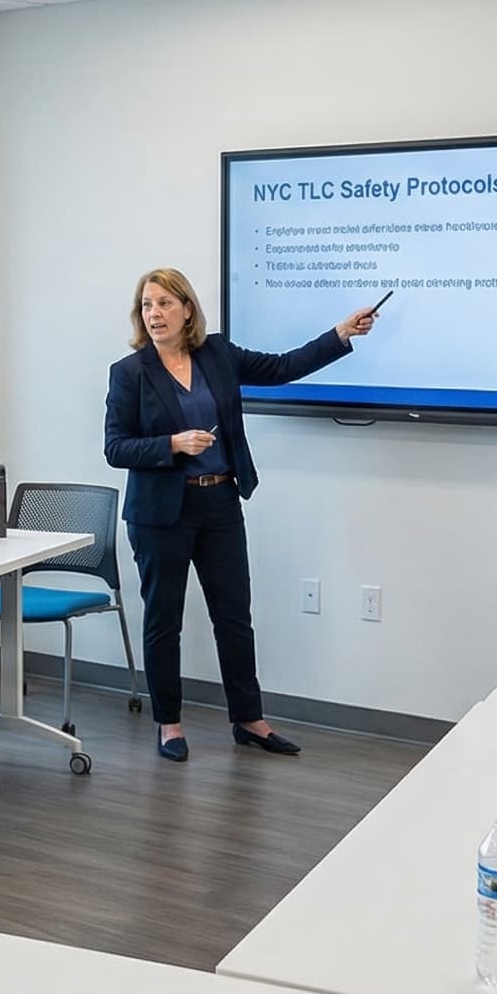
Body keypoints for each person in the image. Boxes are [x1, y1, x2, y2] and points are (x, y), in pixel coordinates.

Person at [103, 266, 376, 761]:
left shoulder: (217, 354)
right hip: (160, 512)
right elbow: (115, 447)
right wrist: (172, 443)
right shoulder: (130, 373)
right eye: (147, 305)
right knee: (164, 622)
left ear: (187, 309)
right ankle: (169, 724)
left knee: (233, 617)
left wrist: (340, 334)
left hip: (219, 501)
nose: (155, 313)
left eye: (165, 303)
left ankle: (249, 719)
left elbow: (283, 367)